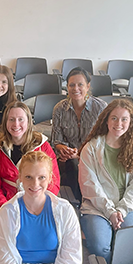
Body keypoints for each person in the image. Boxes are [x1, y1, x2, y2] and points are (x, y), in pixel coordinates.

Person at [0, 101, 60, 264]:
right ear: (5, 123)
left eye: (20, 119)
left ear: (28, 122)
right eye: (11, 120)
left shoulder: (43, 147)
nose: (16, 125)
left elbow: (53, 182)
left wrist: (37, 206)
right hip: (3, 205)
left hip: (40, 204)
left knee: (54, 235)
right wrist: (8, 209)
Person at [78, 98, 133, 264]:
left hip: (129, 208)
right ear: (106, 120)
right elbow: (89, 186)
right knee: (101, 246)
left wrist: (121, 211)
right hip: (97, 208)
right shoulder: (92, 148)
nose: (119, 123)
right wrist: (110, 211)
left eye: (124, 119)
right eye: (114, 118)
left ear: (130, 123)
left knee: (130, 240)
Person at [51, 67, 107, 200]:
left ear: (87, 86)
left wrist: (81, 154)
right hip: (68, 158)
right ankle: (74, 202)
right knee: (70, 165)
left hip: (94, 156)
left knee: (77, 165)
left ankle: (82, 201)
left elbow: (105, 141)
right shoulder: (60, 108)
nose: (75, 88)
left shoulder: (100, 108)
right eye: (71, 85)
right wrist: (63, 149)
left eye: (80, 84)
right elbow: (56, 141)